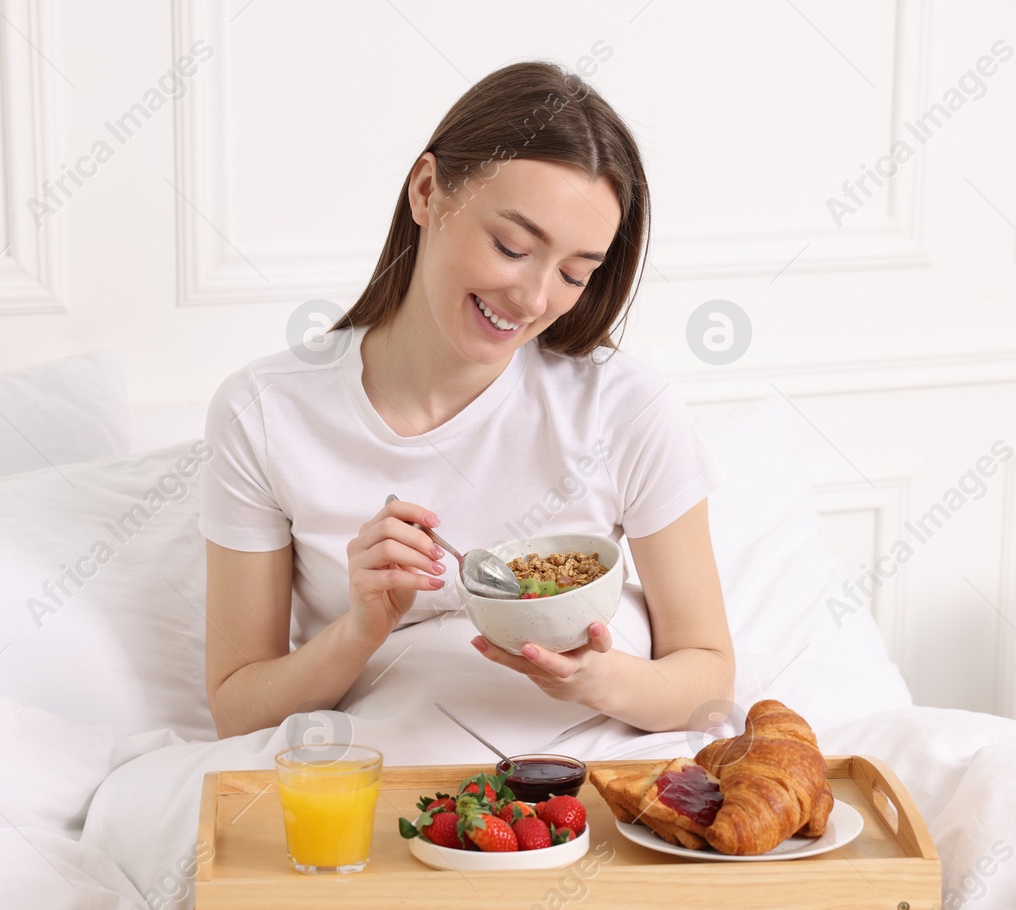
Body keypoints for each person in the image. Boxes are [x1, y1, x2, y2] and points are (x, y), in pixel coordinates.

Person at [199, 60, 733, 744]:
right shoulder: (264, 412)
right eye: (512, 246)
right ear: (427, 193)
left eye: (575, 272)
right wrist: (359, 630)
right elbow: (237, 711)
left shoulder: (625, 405)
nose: (536, 298)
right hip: (382, 778)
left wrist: (593, 678)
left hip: (589, 773)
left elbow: (709, 674)